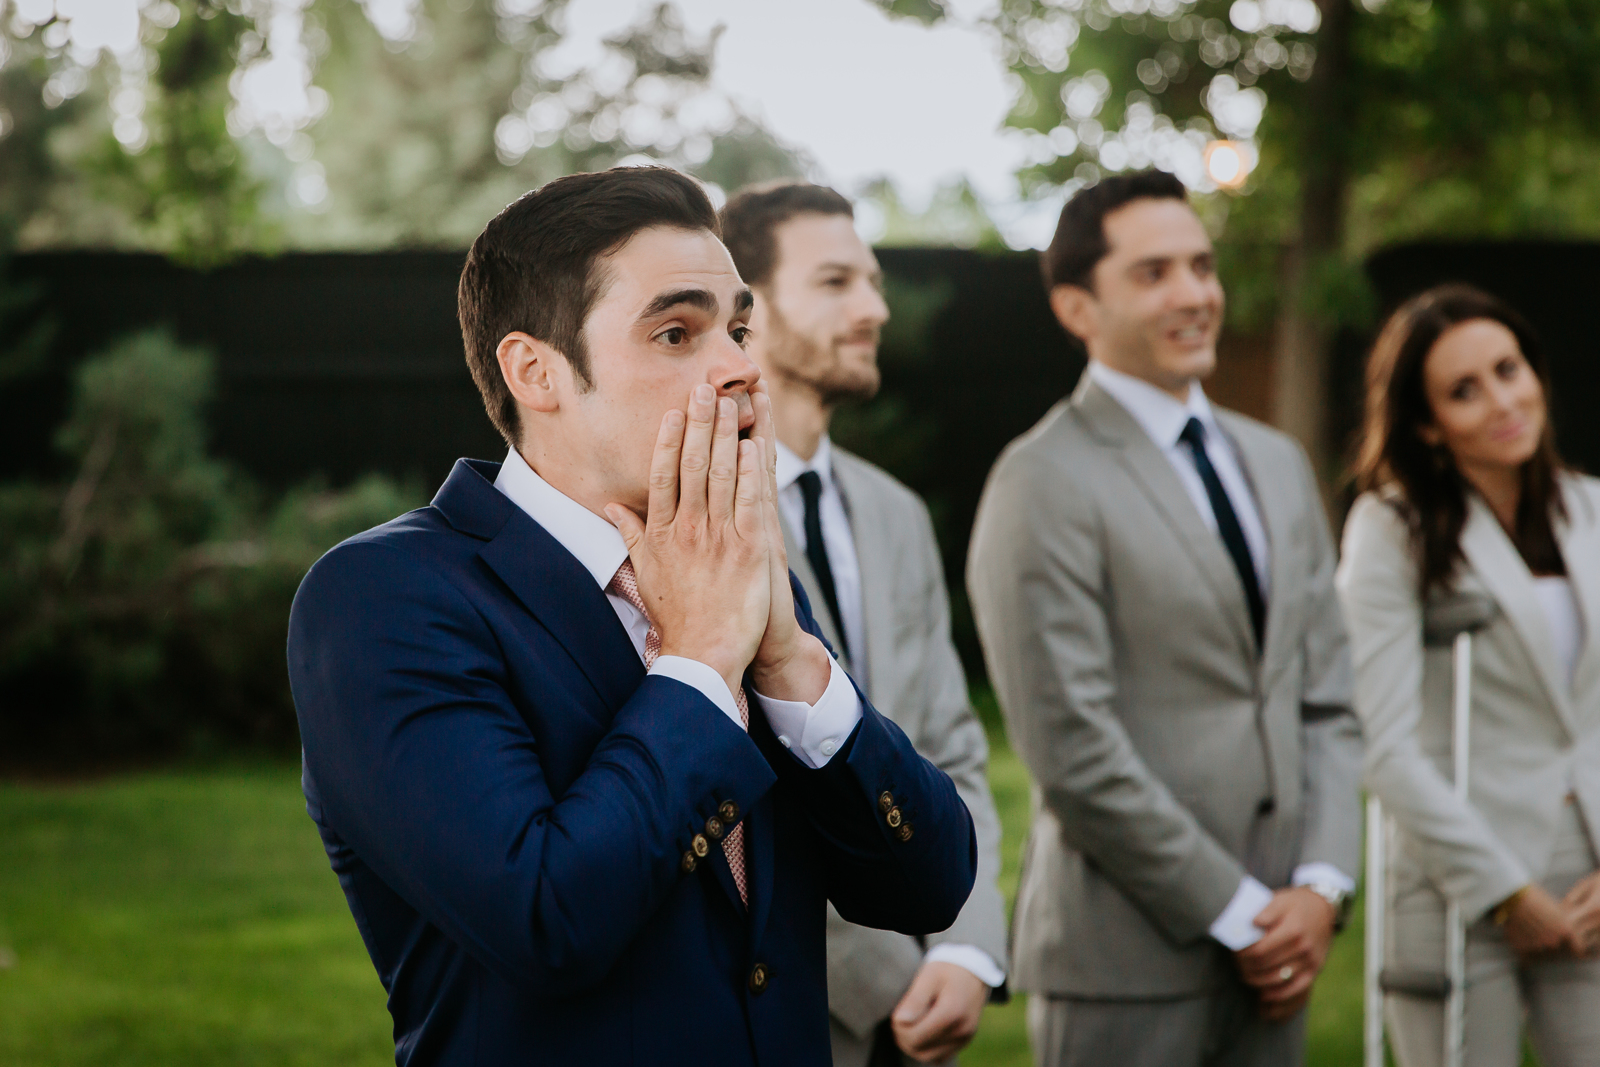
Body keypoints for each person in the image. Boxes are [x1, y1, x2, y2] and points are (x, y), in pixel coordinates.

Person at [286, 166, 978, 1067]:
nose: (738, 367)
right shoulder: (385, 596)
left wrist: (792, 664)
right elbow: (545, 919)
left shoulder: (739, 575)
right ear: (535, 371)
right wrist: (698, 661)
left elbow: (928, 885)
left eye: (737, 329)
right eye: (676, 332)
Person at [965, 169, 1363, 1067]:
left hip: (1287, 949)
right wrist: (1236, 911)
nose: (1195, 295)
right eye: (1153, 274)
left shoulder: (1278, 461)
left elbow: (1328, 695)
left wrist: (1319, 886)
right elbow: (1070, 741)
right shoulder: (1041, 480)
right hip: (1127, 963)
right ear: (1077, 308)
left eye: (1202, 265)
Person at [719, 181, 1009, 1067]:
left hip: (930, 1003)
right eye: (837, 283)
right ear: (745, 308)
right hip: (781, 1008)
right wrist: (884, 972)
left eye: (874, 283)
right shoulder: (691, 514)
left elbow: (950, 745)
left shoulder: (896, 513)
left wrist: (966, 944)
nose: (875, 308)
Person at [1336, 284, 1600, 1067]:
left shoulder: (1591, 511)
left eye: (1508, 369)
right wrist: (1505, 892)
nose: (1501, 401)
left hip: (1586, 868)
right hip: (1458, 874)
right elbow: (1380, 741)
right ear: (1426, 423)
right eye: (1463, 390)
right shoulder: (1392, 529)